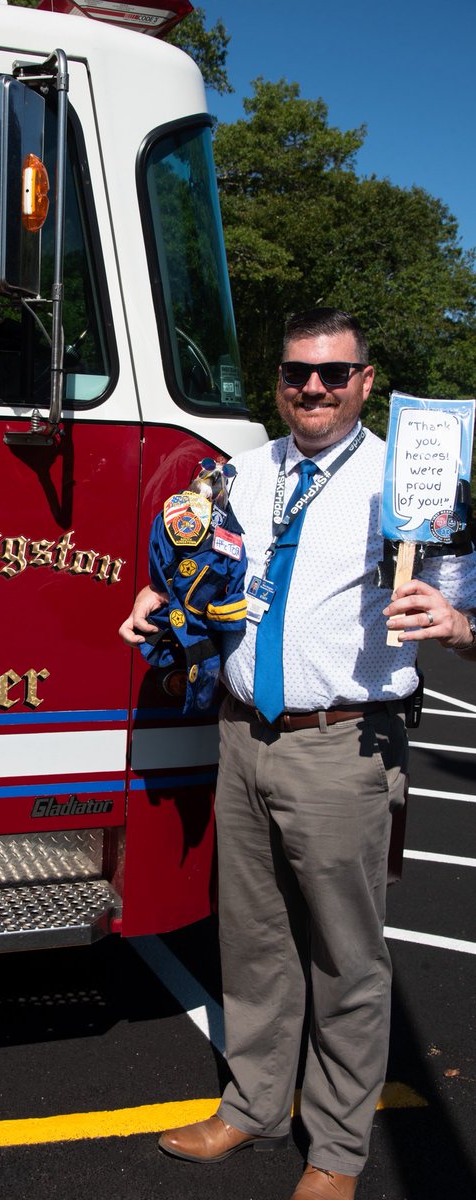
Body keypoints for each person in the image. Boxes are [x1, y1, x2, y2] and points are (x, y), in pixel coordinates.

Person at [119, 308, 476, 1200]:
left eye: (332, 374)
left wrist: (463, 626)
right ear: (277, 382)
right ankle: (252, 1106)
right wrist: (158, 602)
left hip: (342, 746)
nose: (311, 389)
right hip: (240, 735)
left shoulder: (412, 482)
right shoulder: (241, 473)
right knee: (252, 943)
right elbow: (206, 577)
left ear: (364, 381)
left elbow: (468, 611)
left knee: (347, 961)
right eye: (294, 375)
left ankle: (338, 1152)